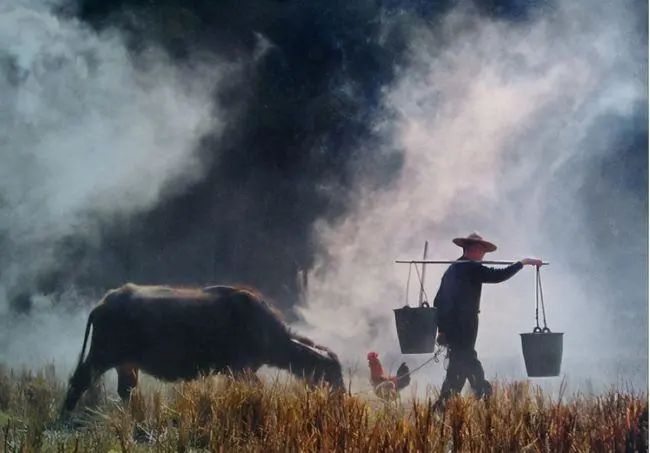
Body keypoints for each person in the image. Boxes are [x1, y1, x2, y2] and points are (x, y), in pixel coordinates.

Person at [432, 232, 542, 411]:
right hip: (464, 324)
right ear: (471, 249)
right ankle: (483, 392)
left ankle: (444, 405)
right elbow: (498, 275)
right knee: (467, 358)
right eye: (481, 250)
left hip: (454, 325)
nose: (483, 255)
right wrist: (523, 263)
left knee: (458, 364)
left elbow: (439, 301)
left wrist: (442, 329)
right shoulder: (471, 268)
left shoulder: (454, 269)